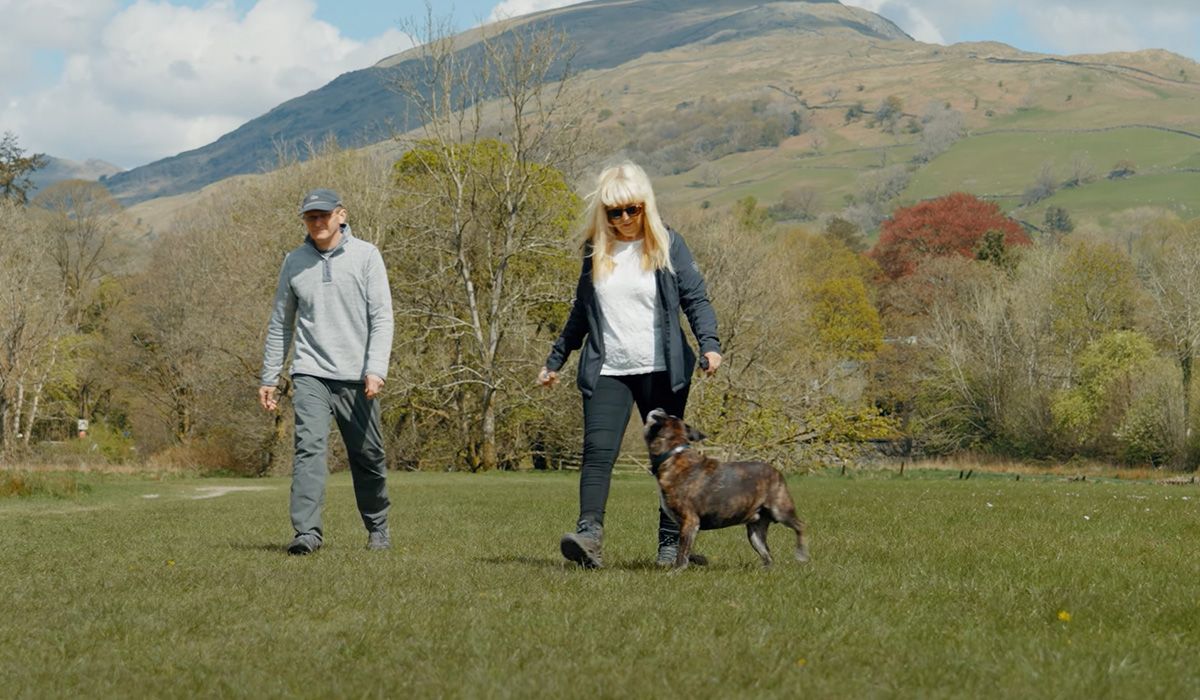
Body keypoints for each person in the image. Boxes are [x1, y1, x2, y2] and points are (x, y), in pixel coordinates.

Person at [538, 161, 722, 568]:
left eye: (631, 210)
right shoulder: (594, 250)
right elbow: (580, 313)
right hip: (609, 370)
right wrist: (555, 360)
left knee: (672, 459)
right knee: (597, 452)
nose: (623, 219)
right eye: (613, 212)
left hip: (662, 370)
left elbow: (696, 299)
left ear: (646, 206)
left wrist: (710, 345)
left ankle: (672, 547)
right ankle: (589, 538)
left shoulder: (669, 245)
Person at [258, 188, 395, 555]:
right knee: (309, 449)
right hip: (310, 372)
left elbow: (382, 317)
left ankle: (378, 526)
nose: (317, 222)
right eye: (310, 217)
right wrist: (270, 376)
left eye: (323, 215)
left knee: (368, 455)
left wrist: (375, 369)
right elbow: (280, 324)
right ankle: (307, 533)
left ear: (341, 215)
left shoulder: (367, 256)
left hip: (358, 375)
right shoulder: (294, 262)